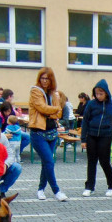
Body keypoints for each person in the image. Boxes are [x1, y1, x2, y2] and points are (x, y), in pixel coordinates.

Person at [80, 79, 112, 197]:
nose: (98, 96)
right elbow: (85, 121)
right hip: (91, 135)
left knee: (104, 161)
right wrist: (83, 139)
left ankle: (111, 185)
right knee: (91, 161)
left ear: (106, 93)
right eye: (96, 93)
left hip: (106, 136)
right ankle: (89, 186)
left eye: (101, 93)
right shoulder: (91, 104)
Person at [28, 67, 68, 202]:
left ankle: (40, 189)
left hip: (52, 132)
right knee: (49, 161)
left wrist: (53, 111)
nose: (44, 81)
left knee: (47, 163)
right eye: (42, 78)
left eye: (47, 78)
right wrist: (55, 109)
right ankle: (56, 191)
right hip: (38, 132)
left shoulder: (54, 94)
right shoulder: (35, 91)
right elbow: (42, 108)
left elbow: (59, 113)